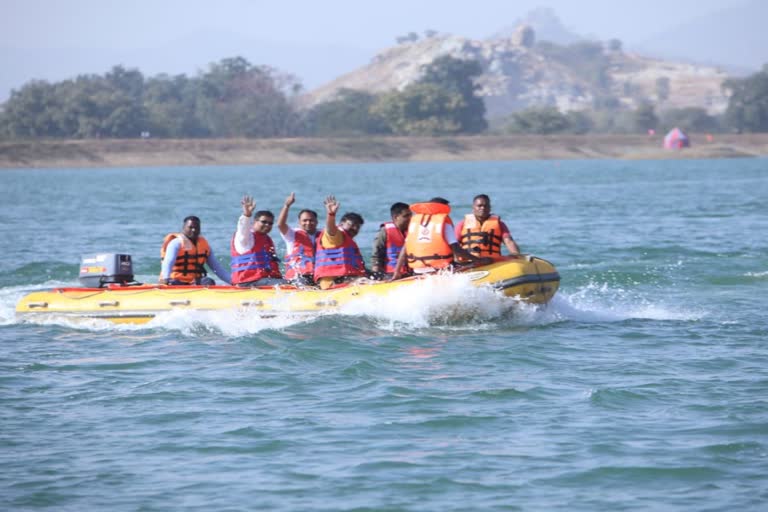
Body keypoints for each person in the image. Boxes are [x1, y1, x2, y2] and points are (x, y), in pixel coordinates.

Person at [391, 197, 490, 280]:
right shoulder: (443, 223)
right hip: (440, 271)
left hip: (418, 271)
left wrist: (397, 272)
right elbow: (457, 250)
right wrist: (478, 260)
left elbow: (404, 249)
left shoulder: (415, 223)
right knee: (470, 263)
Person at [230, 195, 287, 287]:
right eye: (264, 222)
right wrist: (246, 215)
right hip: (247, 282)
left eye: (270, 223)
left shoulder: (267, 239)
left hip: (264, 280)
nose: (267, 225)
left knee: (294, 282)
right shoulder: (246, 237)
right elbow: (243, 228)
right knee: (287, 285)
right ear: (254, 222)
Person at [313, 195, 367, 289]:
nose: (354, 228)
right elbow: (330, 229)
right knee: (366, 282)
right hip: (332, 283)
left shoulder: (349, 241)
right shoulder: (336, 235)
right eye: (351, 224)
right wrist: (331, 215)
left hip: (346, 280)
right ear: (341, 224)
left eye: (357, 227)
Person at [160, 216, 231, 285]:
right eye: (190, 227)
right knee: (172, 283)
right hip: (176, 280)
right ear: (183, 228)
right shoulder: (176, 243)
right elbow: (168, 262)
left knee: (208, 281)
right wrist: (166, 278)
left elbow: (217, 269)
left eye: (196, 228)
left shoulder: (205, 245)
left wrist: (233, 282)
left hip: (194, 281)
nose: (193, 230)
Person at [455, 194, 520, 258]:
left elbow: (509, 241)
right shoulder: (462, 224)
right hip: (468, 261)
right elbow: (454, 244)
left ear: (490, 208)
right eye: (479, 206)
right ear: (473, 207)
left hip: (492, 262)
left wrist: (515, 254)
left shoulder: (500, 224)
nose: (483, 208)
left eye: (486, 206)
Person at [276, 192, 321, 286]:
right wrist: (286, 206)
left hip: (317, 274)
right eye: (305, 220)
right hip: (298, 276)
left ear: (317, 222)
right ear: (299, 222)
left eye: (311, 220)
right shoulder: (292, 234)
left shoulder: (321, 235)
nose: (308, 223)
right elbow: (280, 224)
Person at [370, 202, 412, 280]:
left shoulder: (413, 231)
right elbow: (376, 256)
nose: (410, 218)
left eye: (410, 215)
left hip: (411, 272)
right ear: (396, 217)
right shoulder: (384, 231)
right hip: (390, 274)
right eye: (406, 216)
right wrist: (376, 276)